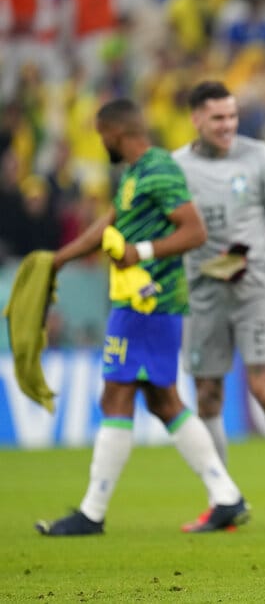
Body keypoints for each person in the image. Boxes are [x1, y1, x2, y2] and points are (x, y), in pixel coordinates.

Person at [36, 99, 249, 536]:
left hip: (148, 301)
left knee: (115, 396)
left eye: (102, 136)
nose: (101, 144)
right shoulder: (134, 175)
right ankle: (226, 497)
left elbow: (194, 231)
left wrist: (142, 252)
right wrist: (61, 259)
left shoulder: (159, 170)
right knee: (161, 400)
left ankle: (92, 512)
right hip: (143, 304)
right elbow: (110, 225)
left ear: (116, 132)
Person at [173, 81, 265, 531]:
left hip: (256, 285)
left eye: (232, 116)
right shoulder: (176, 167)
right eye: (218, 118)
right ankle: (224, 496)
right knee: (208, 395)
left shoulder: (259, 157)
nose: (227, 125)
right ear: (196, 118)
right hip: (203, 292)